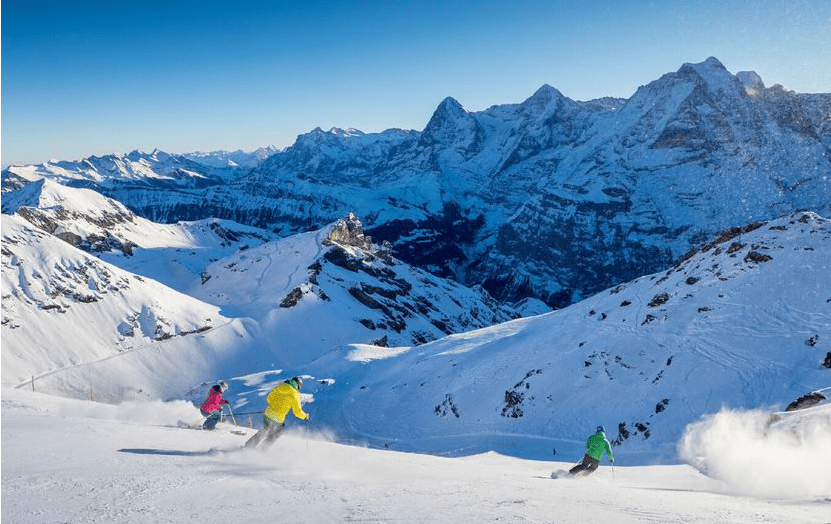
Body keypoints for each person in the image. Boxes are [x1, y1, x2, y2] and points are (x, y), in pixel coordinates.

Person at [244, 376, 309, 450]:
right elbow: (297, 412)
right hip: (278, 419)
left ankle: (248, 446)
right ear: (298, 385)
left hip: (268, 414)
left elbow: (269, 398)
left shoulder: (280, 386)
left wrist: (274, 406)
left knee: (265, 430)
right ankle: (261, 450)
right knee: (277, 433)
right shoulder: (295, 394)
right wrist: (305, 416)